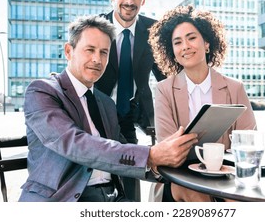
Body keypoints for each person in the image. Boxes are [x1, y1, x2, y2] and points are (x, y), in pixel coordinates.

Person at [18, 15, 197, 202]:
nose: (97, 59)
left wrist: (167, 163)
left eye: (104, 52)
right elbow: (75, 144)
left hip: (112, 198)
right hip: (63, 199)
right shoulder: (42, 92)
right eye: (90, 50)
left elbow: (121, 150)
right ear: (69, 51)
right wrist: (150, 155)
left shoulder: (106, 103)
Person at [148, 5, 257, 202]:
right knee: (198, 194)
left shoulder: (235, 88)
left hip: (225, 174)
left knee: (241, 199)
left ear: (207, 43)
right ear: (172, 51)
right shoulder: (164, 90)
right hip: (178, 177)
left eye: (191, 38)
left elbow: (248, 143)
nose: (185, 46)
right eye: (178, 42)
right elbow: (168, 149)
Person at [95, 0, 165, 201]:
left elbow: (167, 77)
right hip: (97, 111)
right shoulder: (94, 28)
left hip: (133, 112)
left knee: (131, 176)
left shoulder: (153, 31)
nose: (129, 1)